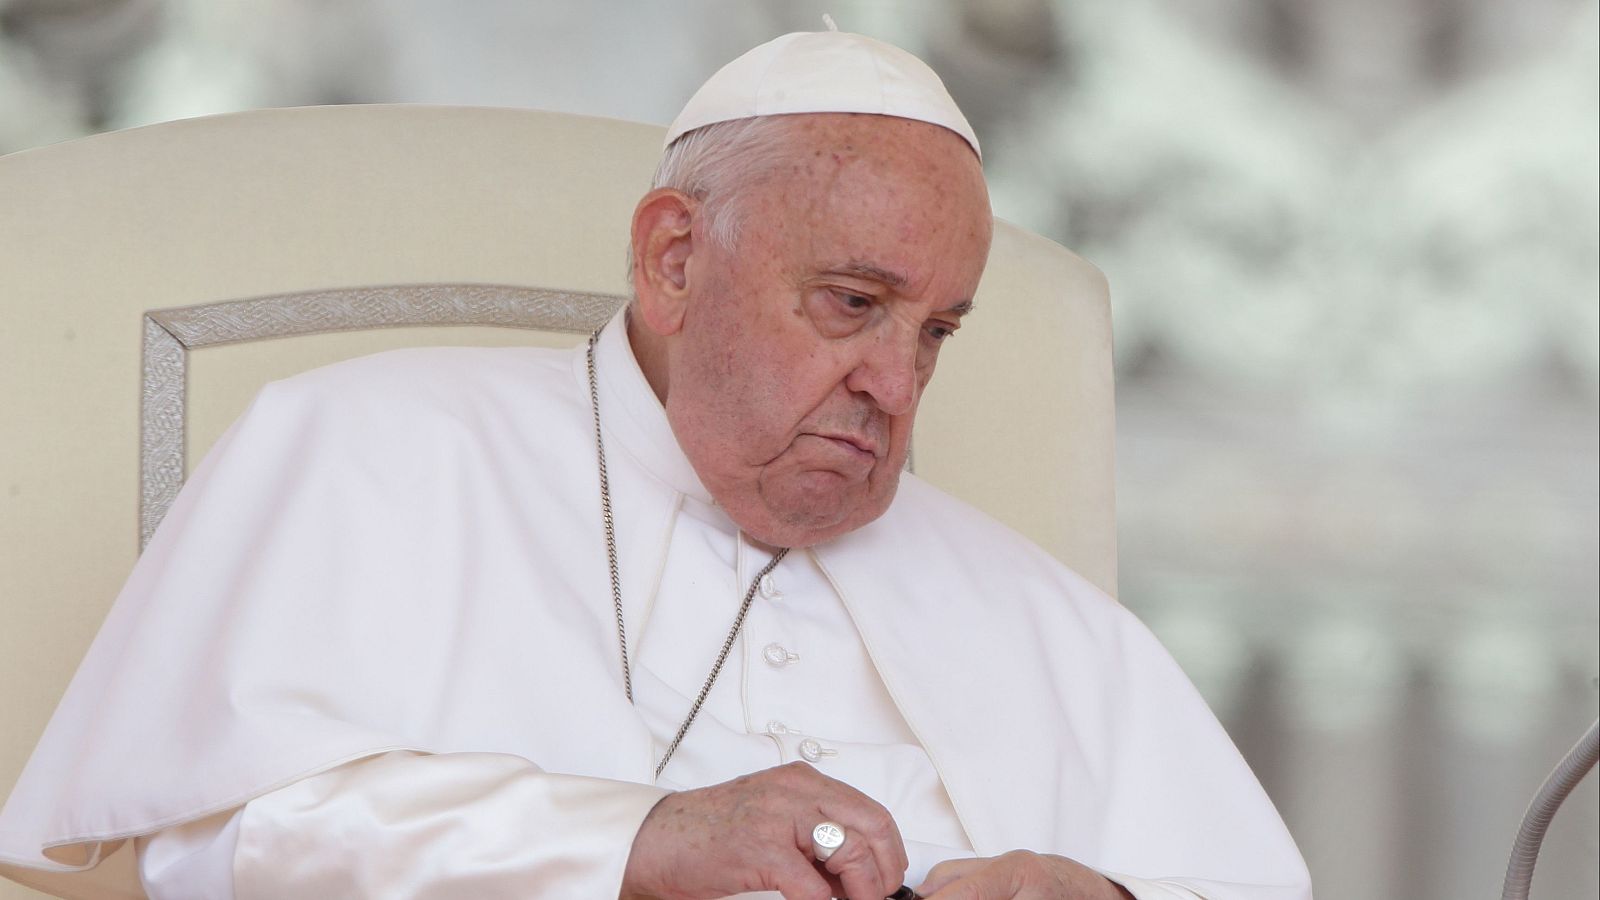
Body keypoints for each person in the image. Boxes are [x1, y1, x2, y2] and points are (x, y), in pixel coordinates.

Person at [0, 26, 1310, 900]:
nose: (897, 387)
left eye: (938, 331)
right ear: (676, 259)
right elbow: (227, 843)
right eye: (852, 303)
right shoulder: (380, 447)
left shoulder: (1040, 617)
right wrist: (634, 840)